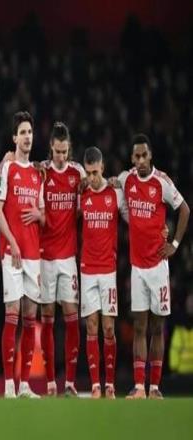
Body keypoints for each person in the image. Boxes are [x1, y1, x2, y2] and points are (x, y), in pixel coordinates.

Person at [118, 133, 190, 399]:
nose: (140, 160)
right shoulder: (126, 179)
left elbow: (185, 210)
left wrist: (175, 244)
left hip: (158, 267)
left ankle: (155, 388)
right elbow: (110, 185)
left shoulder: (162, 182)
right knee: (139, 326)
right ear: (132, 158)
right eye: (136, 156)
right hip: (137, 268)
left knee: (157, 327)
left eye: (144, 155)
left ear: (150, 156)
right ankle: (139, 386)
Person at [0, 111, 44, 398]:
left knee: (30, 318)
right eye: (22, 132)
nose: (27, 137)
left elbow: (44, 216)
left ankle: (25, 384)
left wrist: (39, 214)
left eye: (30, 132)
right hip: (12, 254)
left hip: (34, 255)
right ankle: (8, 386)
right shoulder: (6, 169)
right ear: (14, 137)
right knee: (12, 315)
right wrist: (11, 241)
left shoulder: (38, 174)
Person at [37, 122, 85, 397]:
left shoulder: (77, 174)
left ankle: (70, 383)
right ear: (51, 149)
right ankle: (50, 383)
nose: (61, 156)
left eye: (65, 152)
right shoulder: (41, 173)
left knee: (71, 316)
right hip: (44, 257)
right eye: (57, 151)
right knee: (47, 318)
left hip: (68, 257)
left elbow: (89, 197)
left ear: (69, 149)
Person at [79, 147, 128, 399]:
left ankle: (110, 384)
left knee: (108, 328)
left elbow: (133, 219)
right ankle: (95, 386)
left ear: (103, 168)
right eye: (88, 173)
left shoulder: (115, 193)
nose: (92, 178)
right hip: (87, 269)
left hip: (108, 271)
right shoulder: (82, 194)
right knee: (91, 326)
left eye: (95, 172)